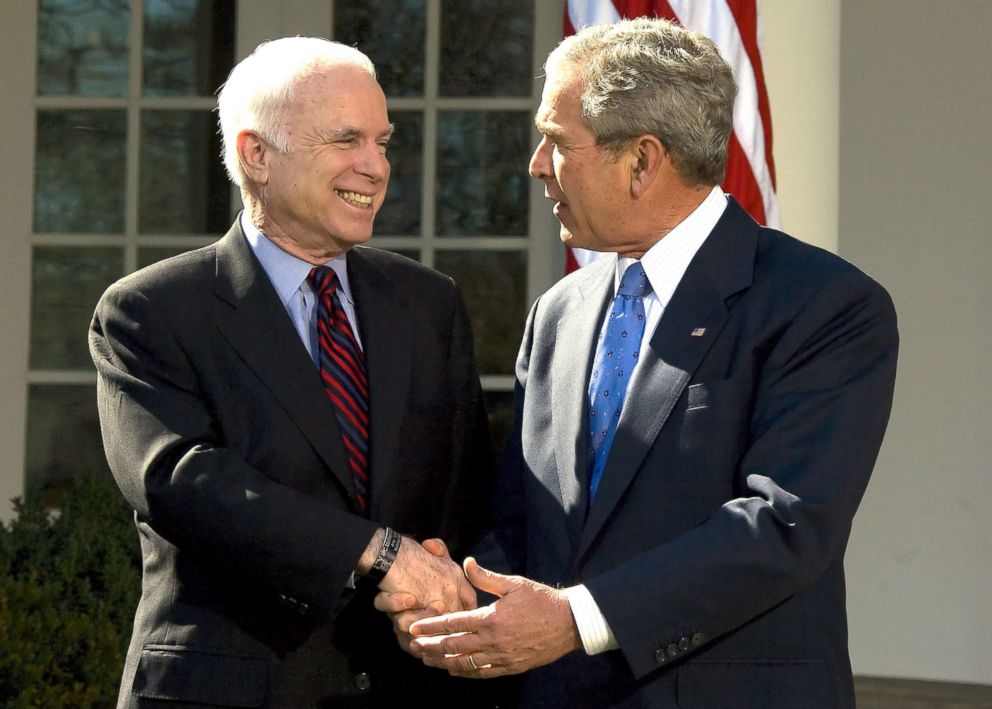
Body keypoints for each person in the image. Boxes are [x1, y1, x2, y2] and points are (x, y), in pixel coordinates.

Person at [379, 18, 899, 708]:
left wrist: (577, 620)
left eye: (558, 142)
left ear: (643, 160)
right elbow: (522, 520)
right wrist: (461, 599)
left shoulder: (823, 304)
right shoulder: (558, 312)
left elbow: (785, 523)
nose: (536, 164)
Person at [90, 37, 494, 708]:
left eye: (382, 141)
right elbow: (180, 479)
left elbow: (469, 493)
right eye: (346, 141)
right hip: (230, 688)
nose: (375, 166)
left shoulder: (429, 303)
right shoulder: (151, 312)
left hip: (405, 686)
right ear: (256, 154)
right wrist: (375, 550)